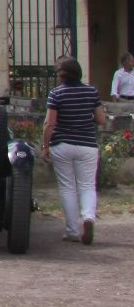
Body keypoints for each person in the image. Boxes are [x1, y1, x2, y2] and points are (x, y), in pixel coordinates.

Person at [41, 55, 103, 244]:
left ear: (62, 75)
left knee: (67, 187)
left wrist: (45, 145)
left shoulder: (56, 94)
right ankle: (89, 217)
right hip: (87, 144)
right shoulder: (92, 91)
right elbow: (101, 120)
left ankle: (72, 231)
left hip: (62, 145)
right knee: (87, 185)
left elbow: (49, 123)